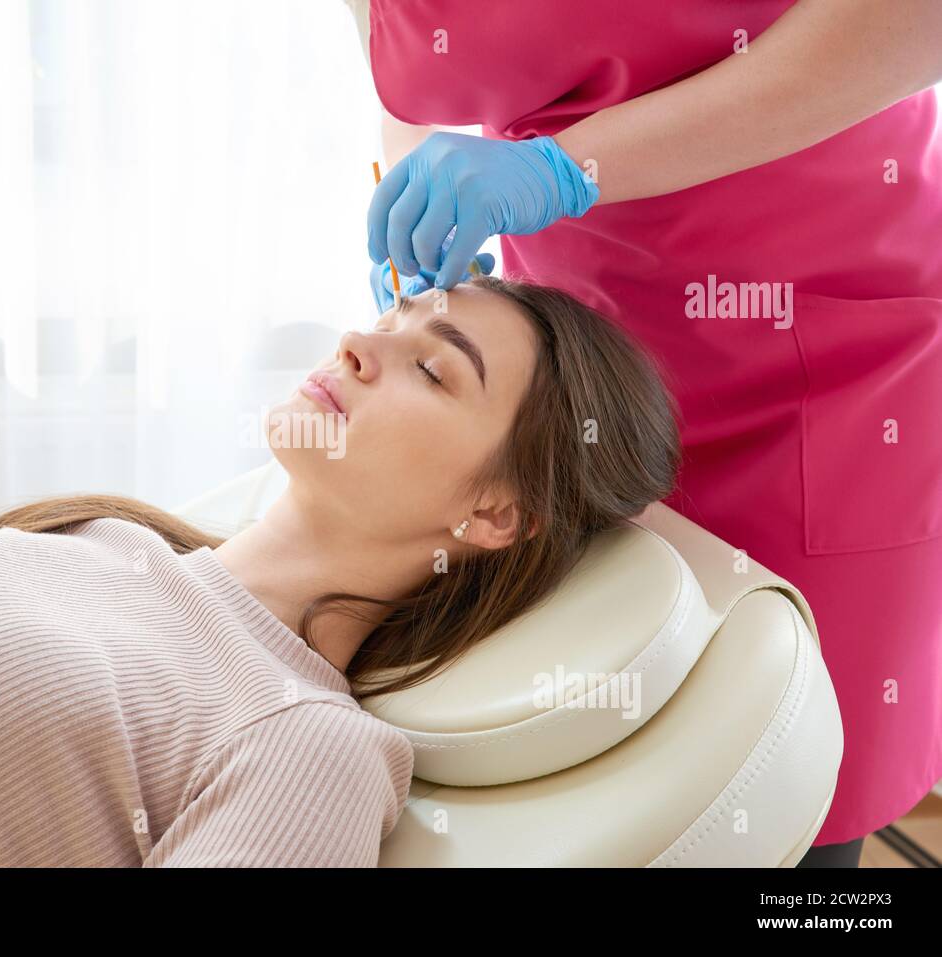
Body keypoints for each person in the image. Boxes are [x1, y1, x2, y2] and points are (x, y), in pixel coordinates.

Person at [0, 277, 680, 866]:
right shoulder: (102, 536)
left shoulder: (303, 743)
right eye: (389, 319)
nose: (360, 344)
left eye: (431, 365)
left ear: (494, 513)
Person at [345, 0, 942, 868]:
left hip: (823, 340)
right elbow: (416, 86)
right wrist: (423, 196)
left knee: (801, 797)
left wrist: (563, 168)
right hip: (580, 351)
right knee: (602, 763)